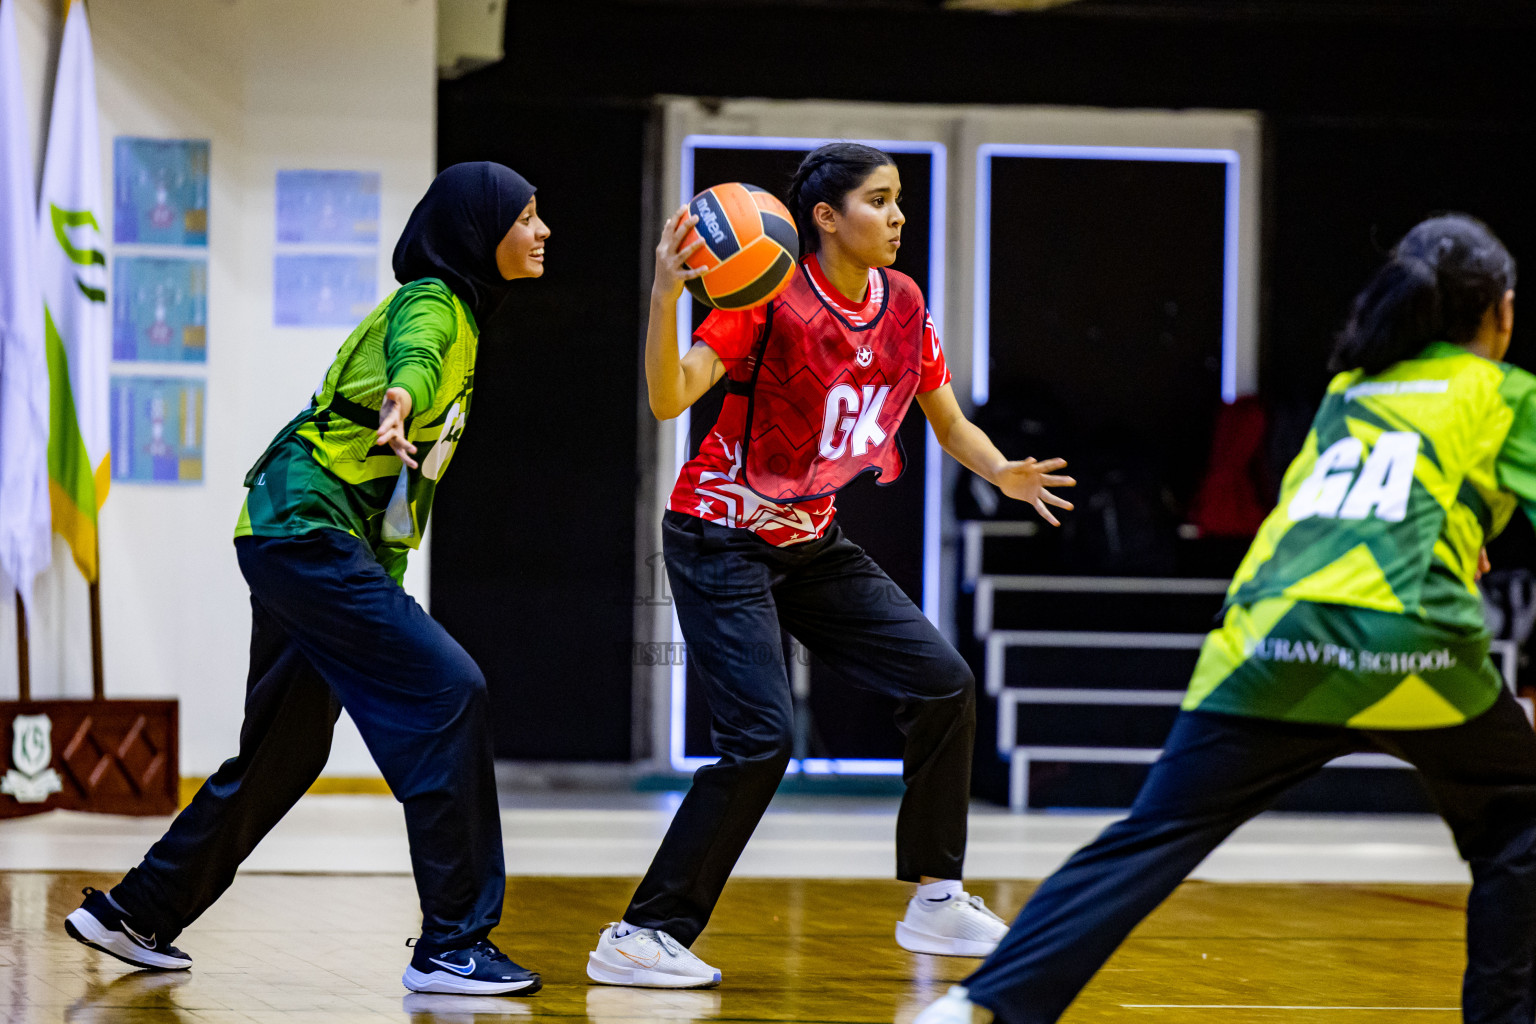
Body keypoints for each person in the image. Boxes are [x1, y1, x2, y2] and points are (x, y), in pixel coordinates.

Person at [915, 213, 1536, 1024]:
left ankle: (979, 1008)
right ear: (1503, 312)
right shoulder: (1501, 390)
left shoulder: (1353, 390)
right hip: (1405, 641)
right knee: (1518, 822)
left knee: (1149, 835)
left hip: (1267, 638)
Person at [586, 143, 1075, 989]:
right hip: (721, 533)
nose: (898, 217)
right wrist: (668, 293)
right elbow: (672, 397)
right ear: (824, 216)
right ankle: (641, 933)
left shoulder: (904, 301)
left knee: (944, 682)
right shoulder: (766, 296)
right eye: (879, 201)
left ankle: (935, 896)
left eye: (899, 201)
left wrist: (1000, 470)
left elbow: (947, 418)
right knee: (761, 740)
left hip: (811, 538)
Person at [64, 162, 550, 997]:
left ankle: (137, 911)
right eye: (528, 216)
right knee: (450, 691)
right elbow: (415, 357)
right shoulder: (436, 303)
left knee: (284, 754)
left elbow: (400, 487)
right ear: (479, 230)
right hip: (304, 532)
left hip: (301, 536)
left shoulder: (464, 314)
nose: (543, 231)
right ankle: (452, 945)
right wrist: (401, 399)